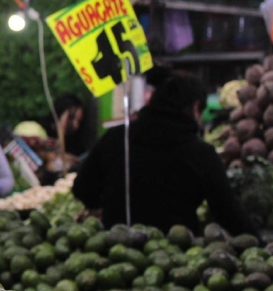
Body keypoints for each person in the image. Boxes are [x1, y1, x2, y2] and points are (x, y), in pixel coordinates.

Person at [72, 70, 253, 235]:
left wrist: (113, 204)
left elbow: (82, 189)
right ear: (196, 108)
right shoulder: (201, 153)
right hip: (176, 259)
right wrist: (261, 246)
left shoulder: (117, 137)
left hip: (117, 252)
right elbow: (228, 213)